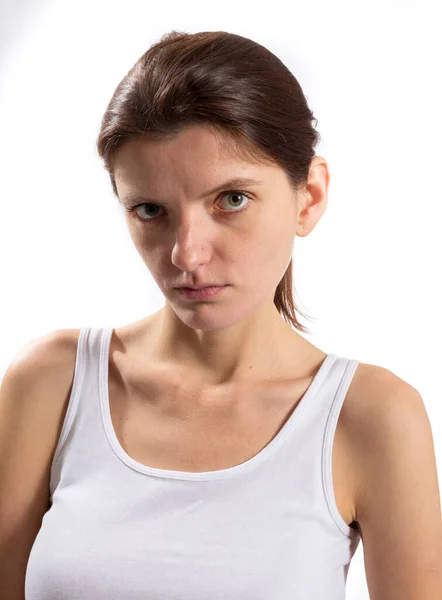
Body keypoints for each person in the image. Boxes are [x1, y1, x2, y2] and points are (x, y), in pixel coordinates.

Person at [3, 29, 441, 600]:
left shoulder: (373, 417)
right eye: (150, 210)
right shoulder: (52, 383)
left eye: (230, 199)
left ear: (308, 197)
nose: (187, 253)